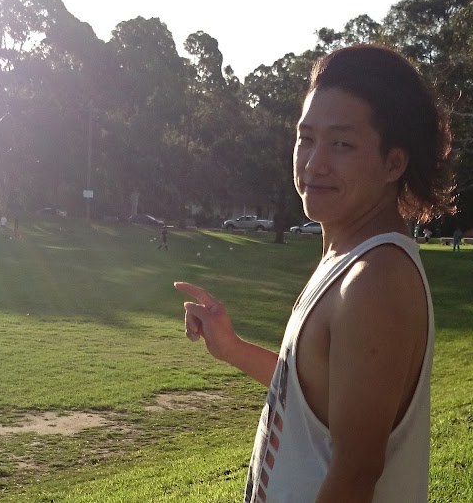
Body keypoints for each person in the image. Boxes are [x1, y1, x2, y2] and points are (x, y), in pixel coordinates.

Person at [176, 44, 450, 502]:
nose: (314, 163)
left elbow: (355, 475)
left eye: (341, 144)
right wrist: (232, 348)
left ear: (394, 162)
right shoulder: (347, 259)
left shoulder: (373, 281)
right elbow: (314, 397)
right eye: (306, 138)